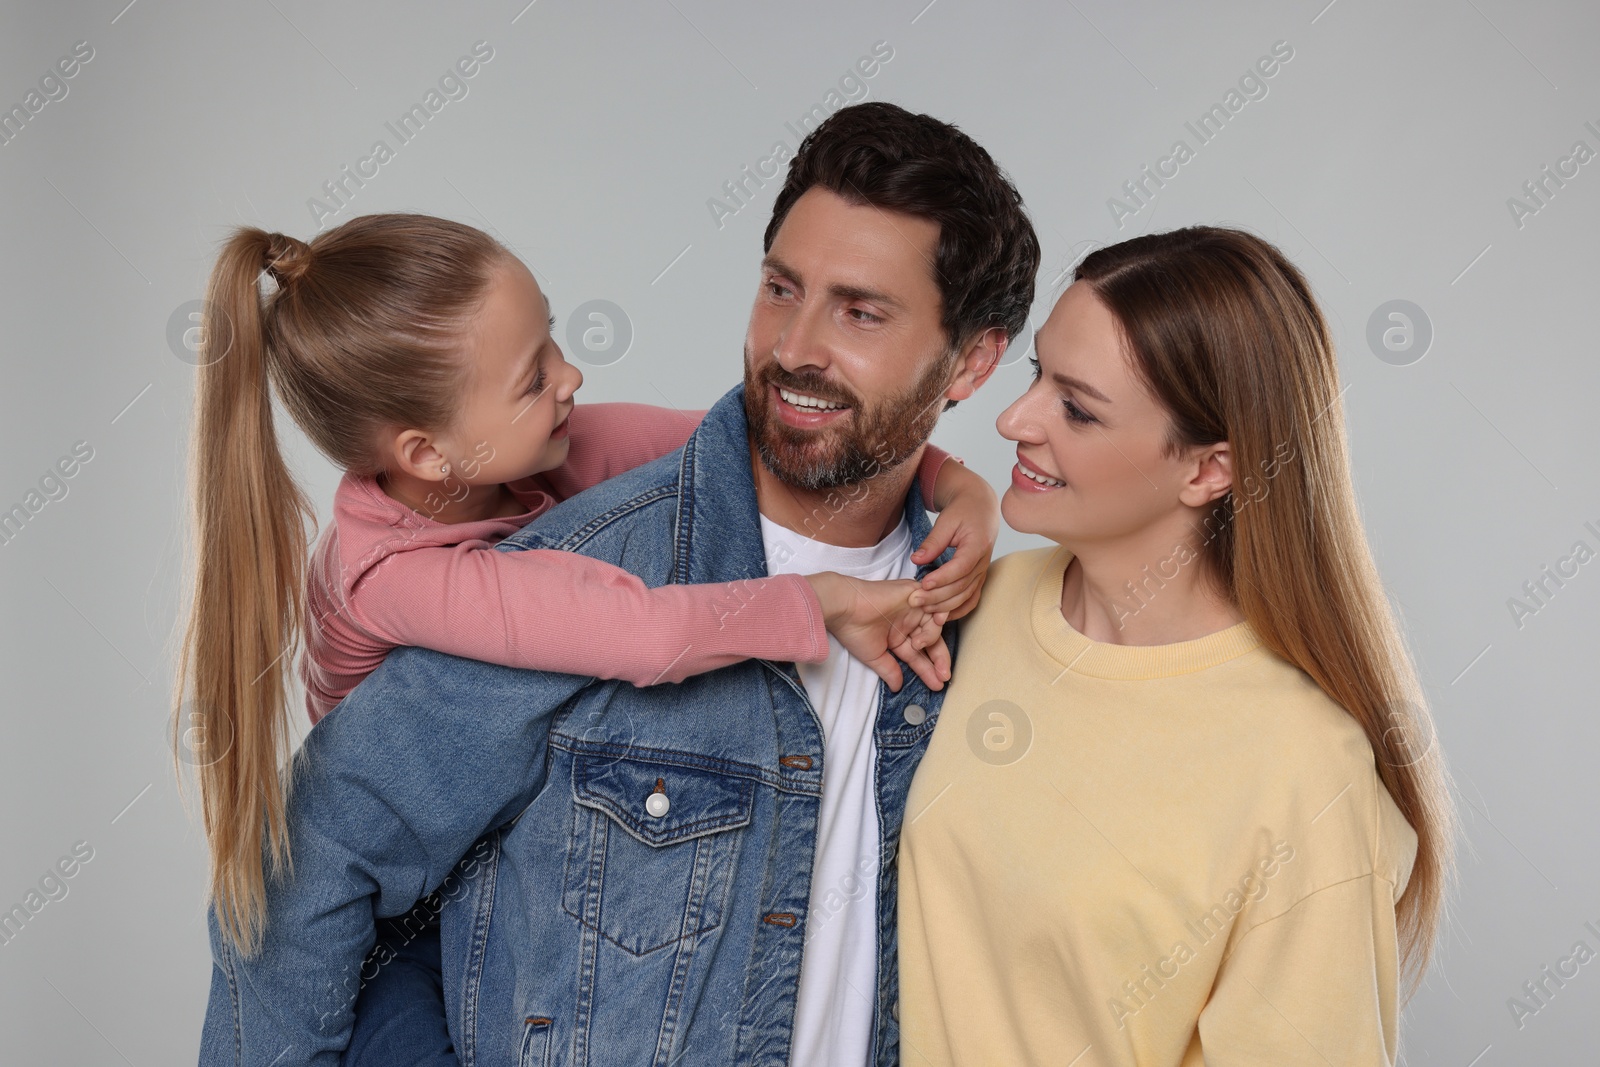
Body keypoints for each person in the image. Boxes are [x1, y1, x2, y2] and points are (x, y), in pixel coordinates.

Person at [195, 100, 1041, 1066]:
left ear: (973, 359)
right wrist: (817, 607)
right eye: (780, 288)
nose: (795, 346)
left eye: (860, 311)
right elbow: (299, 873)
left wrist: (962, 484)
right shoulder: (556, 580)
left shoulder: (1008, 623)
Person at [896, 226, 1454, 1066]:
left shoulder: (1306, 774)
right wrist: (949, 489)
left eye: (1077, 408)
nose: (1014, 418)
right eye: (1038, 373)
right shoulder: (986, 607)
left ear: (1208, 470)